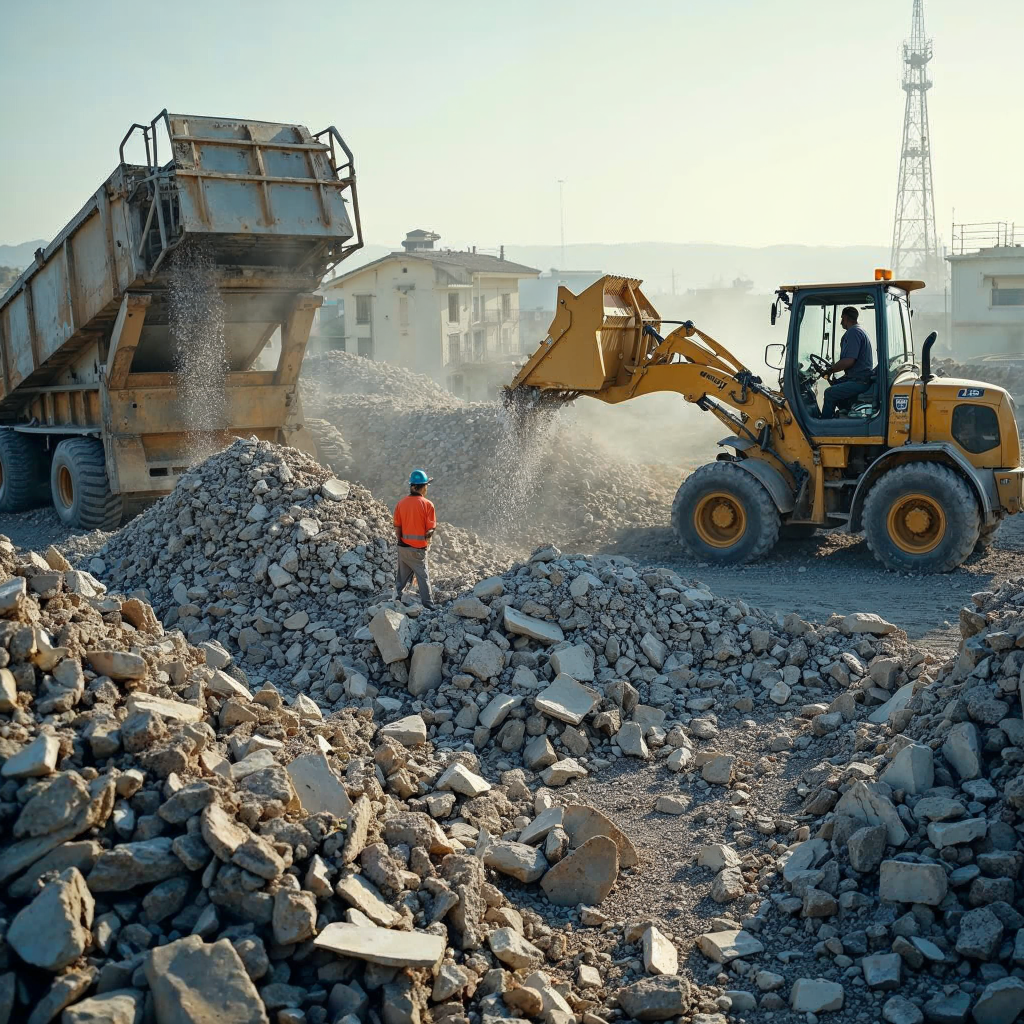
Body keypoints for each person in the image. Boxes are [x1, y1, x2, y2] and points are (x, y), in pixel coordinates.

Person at [819, 306, 875, 417]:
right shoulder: (860, 330)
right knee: (835, 385)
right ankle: (843, 413)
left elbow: (849, 360)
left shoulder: (853, 332)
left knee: (829, 393)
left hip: (859, 381)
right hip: (860, 378)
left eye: (841, 319)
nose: (840, 322)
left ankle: (824, 426)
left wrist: (830, 370)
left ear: (845, 318)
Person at [393, 469, 436, 609]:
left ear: (412, 486)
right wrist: (427, 544)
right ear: (422, 487)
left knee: (401, 577)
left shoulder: (401, 503)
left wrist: (400, 542)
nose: (427, 489)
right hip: (418, 550)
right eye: (426, 486)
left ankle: (395, 599)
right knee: (423, 578)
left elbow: (397, 526)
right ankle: (429, 606)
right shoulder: (428, 505)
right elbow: (430, 530)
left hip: (403, 547)